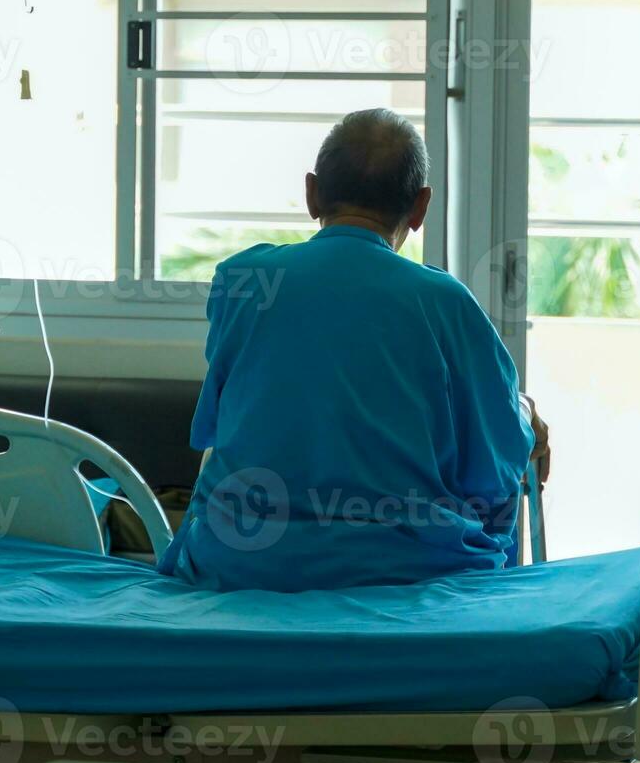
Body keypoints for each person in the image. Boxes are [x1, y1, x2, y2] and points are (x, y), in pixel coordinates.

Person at [156, 108, 551, 592]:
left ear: (312, 192)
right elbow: (494, 462)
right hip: (408, 571)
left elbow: (230, 414)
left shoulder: (243, 281)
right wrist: (525, 416)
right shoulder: (444, 302)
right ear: (421, 206)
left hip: (240, 562)